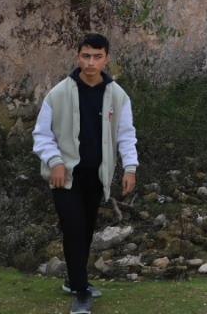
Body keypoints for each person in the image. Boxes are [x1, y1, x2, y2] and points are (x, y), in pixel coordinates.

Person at [32, 33, 138, 314]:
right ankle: (80, 292)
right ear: (78, 57)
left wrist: (130, 167)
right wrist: (54, 161)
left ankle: (72, 279)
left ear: (106, 58)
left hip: (97, 177)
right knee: (74, 228)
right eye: (86, 56)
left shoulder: (117, 95)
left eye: (97, 56)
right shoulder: (58, 94)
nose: (91, 62)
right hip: (64, 177)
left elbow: (126, 135)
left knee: (86, 230)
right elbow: (41, 135)